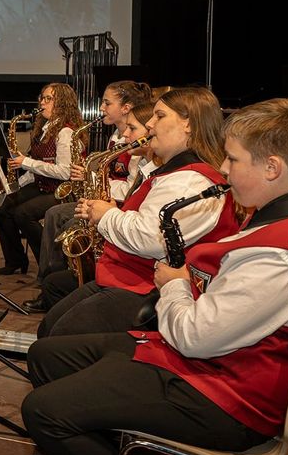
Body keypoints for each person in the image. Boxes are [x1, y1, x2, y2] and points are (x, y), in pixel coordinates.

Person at [20, 98, 288, 455]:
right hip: (207, 366)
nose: (224, 170)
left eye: (234, 160)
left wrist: (174, 283)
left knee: (42, 410)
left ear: (272, 168)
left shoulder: (282, 256)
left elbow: (193, 337)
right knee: (47, 356)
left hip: (223, 398)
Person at [39, 87, 239, 338]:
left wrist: (106, 215)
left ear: (188, 124)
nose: (151, 124)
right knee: (49, 327)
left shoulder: (191, 180)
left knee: (56, 338)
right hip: (129, 277)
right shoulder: (177, 172)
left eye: (159, 116)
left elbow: (150, 239)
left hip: (144, 287)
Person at [24, 81, 152, 311]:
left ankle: (66, 283)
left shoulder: (137, 144)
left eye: (107, 103)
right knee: (54, 214)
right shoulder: (117, 135)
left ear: (126, 107)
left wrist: (91, 178)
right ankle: (50, 282)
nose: (101, 108)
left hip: (118, 206)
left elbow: (131, 188)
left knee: (66, 224)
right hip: (107, 199)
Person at [0, 83, 82, 274]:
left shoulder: (65, 132)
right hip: (43, 185)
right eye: (42, 98)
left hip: (62, 190)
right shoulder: (45, 129)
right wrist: (14, 185)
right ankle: (16, 260)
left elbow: (65, 172)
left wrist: (25, 162)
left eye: (48, 99)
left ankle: (51, 263)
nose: (42, 103)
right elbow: (38, 167)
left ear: (63, 103)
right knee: (3, 207)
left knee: (23, 214)